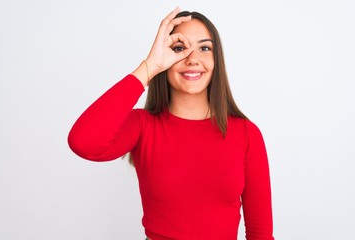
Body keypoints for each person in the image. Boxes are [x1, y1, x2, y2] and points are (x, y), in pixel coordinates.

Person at [68, 7, 275, 240]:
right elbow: (83, 142)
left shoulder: (246, 133)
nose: (193, 59)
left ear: (217, 60)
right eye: (179, 48)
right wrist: (149, 66)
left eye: (204, 48)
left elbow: (260, 234)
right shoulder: (143, 126)